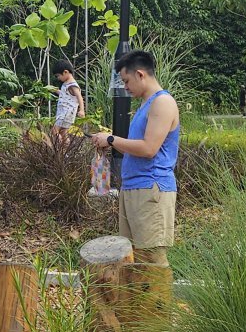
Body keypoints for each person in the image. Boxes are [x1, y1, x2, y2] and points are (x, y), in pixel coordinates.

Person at [90, 50, 179, 266]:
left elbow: (149, 148)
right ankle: (139, 301)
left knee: (152, 261)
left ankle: (159, 301)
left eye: (127, 81)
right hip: (133, 189)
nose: (126, 87)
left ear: (140, 74)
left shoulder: (162, 103)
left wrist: (111, 139)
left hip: (151, 189)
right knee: (134, 259)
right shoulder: (145, 105)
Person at [51, 59, 85, 139]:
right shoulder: (66, 84)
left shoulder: (72, 85)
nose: (58, 78)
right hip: (65, 113)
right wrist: (56, 90)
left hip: (66, 113)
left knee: (55, 131)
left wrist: (82, 110)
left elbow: (79, 96)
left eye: (58, 76)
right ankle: (65, 149)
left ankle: (58, 148)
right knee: (63, 133)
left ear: (65, 72)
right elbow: (65, 95)